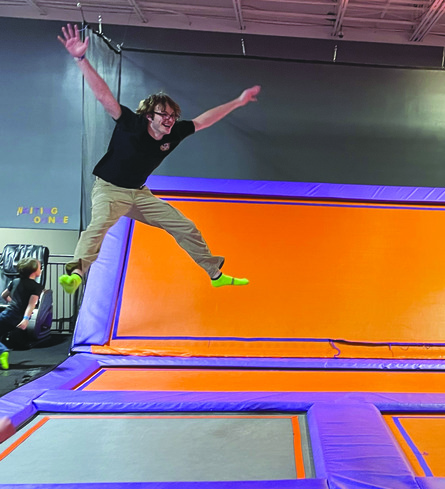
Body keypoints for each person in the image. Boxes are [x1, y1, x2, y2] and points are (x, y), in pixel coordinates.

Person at [57, 23, 259, 294]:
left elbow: (204, 120)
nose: (169, 120)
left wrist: (237, 101)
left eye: (173, 116)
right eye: (163, 115)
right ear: (148, 116)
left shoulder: (174, 132)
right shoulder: (131, 123)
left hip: (140, 195)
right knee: (99, 225)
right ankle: (76, 272)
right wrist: (81, 59)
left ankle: (214, 273)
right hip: (109, 190)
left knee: (184, 226)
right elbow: (103, 96)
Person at [0, 258, 44, 371]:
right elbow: (31, 304)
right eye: (40, 267)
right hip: (18, 317)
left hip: (9, 313)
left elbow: (4, 295)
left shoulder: (15, 281)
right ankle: (2, 353)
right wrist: (25, 318)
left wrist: (13, 302)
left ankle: (3, 351)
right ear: (34, 271)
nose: (41, 269)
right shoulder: (36, 286)